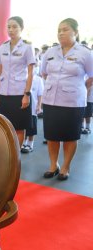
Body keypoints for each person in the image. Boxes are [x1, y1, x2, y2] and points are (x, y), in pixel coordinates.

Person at [40, 18, 93, 181]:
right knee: (52, 135)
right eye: (59, 30)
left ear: (75, 32)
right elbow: (44, 73)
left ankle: (65, 166)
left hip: (72, 101)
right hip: (50, 100)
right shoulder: (50, 52)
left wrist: (78, 88)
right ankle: (53, 164)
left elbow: (91, 76)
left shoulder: (85, 53)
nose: (61, 33)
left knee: (70, 135)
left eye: (65, 29)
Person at [0, 16, 35, 147]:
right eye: (8, 27)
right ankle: (8, 153)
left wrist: (26, 94)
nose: (11, 29)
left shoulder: (27, 47)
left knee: (19, 127)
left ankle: (16, 156)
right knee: (6, 125)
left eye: (14, 26)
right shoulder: (2, 47)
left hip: (20, 93)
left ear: (21, 28)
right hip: (4, 92)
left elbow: (31, 72)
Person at [21, 63, 43, 153]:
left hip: (33, 107)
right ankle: (24, 143)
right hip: (23, 105)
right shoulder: (22, 77)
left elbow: (40, 94)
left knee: (32, 127)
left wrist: (39, 106)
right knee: (23, 125)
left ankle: (30, 144)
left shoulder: (38, 80)